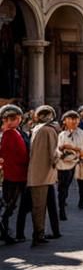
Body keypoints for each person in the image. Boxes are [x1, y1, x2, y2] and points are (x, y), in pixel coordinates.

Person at [24, 105, 61, 246]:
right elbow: (54, 153)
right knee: (39, 207)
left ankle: (39, 233)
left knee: (38, 206)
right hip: (43, 174)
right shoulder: (48, 130)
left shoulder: (37, 129)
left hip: (36, 173)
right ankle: (38, 235)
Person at [0, 105, 28, 245]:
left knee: (11, 206)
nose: (11, 121)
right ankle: (5, 233)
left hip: (17, 175)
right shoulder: (9, 134)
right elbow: (18, 156)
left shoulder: (15, 132)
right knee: (9, 206)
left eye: (14, 118)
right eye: (7, 119)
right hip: (13, 176)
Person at [56, 110, 83, 216]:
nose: (74, 121)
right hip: (65, 164)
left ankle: (82, 202)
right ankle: (62, 208)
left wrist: (81, 153)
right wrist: (63, 151)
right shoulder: (61, 134)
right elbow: (57, 149)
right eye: (71, 119)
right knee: (63, 187)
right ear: (65, 121)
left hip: (81, 162)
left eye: (76, 119)